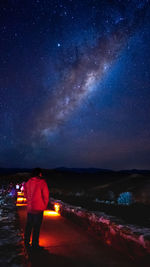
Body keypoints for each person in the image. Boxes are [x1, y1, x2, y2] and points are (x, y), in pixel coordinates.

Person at [24, 168, 49, 249]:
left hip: (30, 208)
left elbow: (25, 194)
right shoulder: (42, 182)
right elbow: (46, 196)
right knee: (36, 227)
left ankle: (26, 243)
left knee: (29, 226)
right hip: (38, 209)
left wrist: (29, 202)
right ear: (39, 174)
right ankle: (35, 244)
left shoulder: (28, 183)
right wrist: (44, 205)